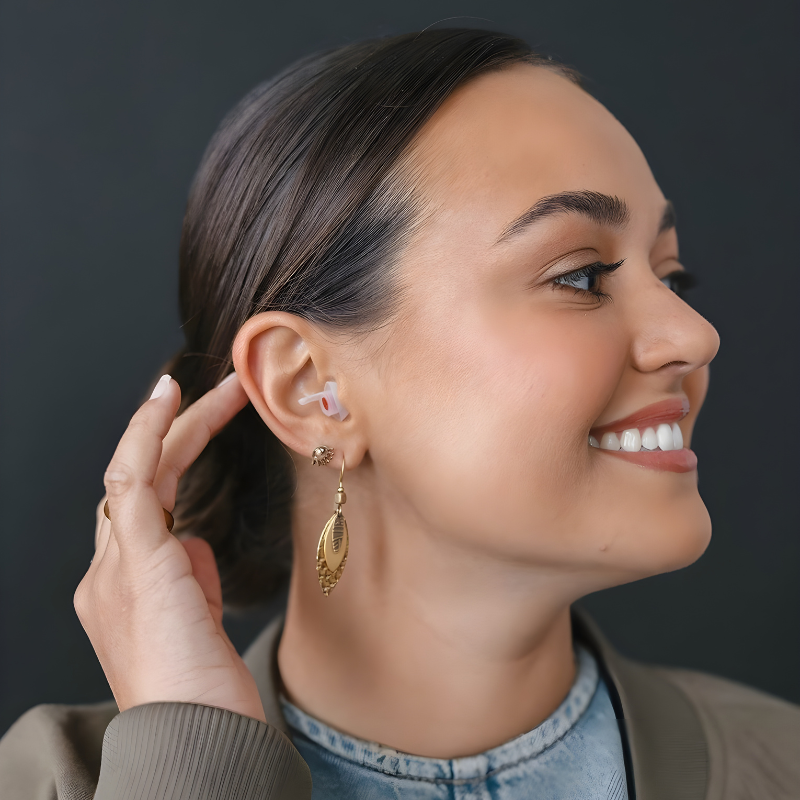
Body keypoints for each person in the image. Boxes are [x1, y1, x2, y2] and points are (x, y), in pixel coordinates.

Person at [1, 28, 798, 800]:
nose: (694, 335)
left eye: (673, 275)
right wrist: (195, 769)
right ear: (312, 389)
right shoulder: (56, 784)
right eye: (584, 276)